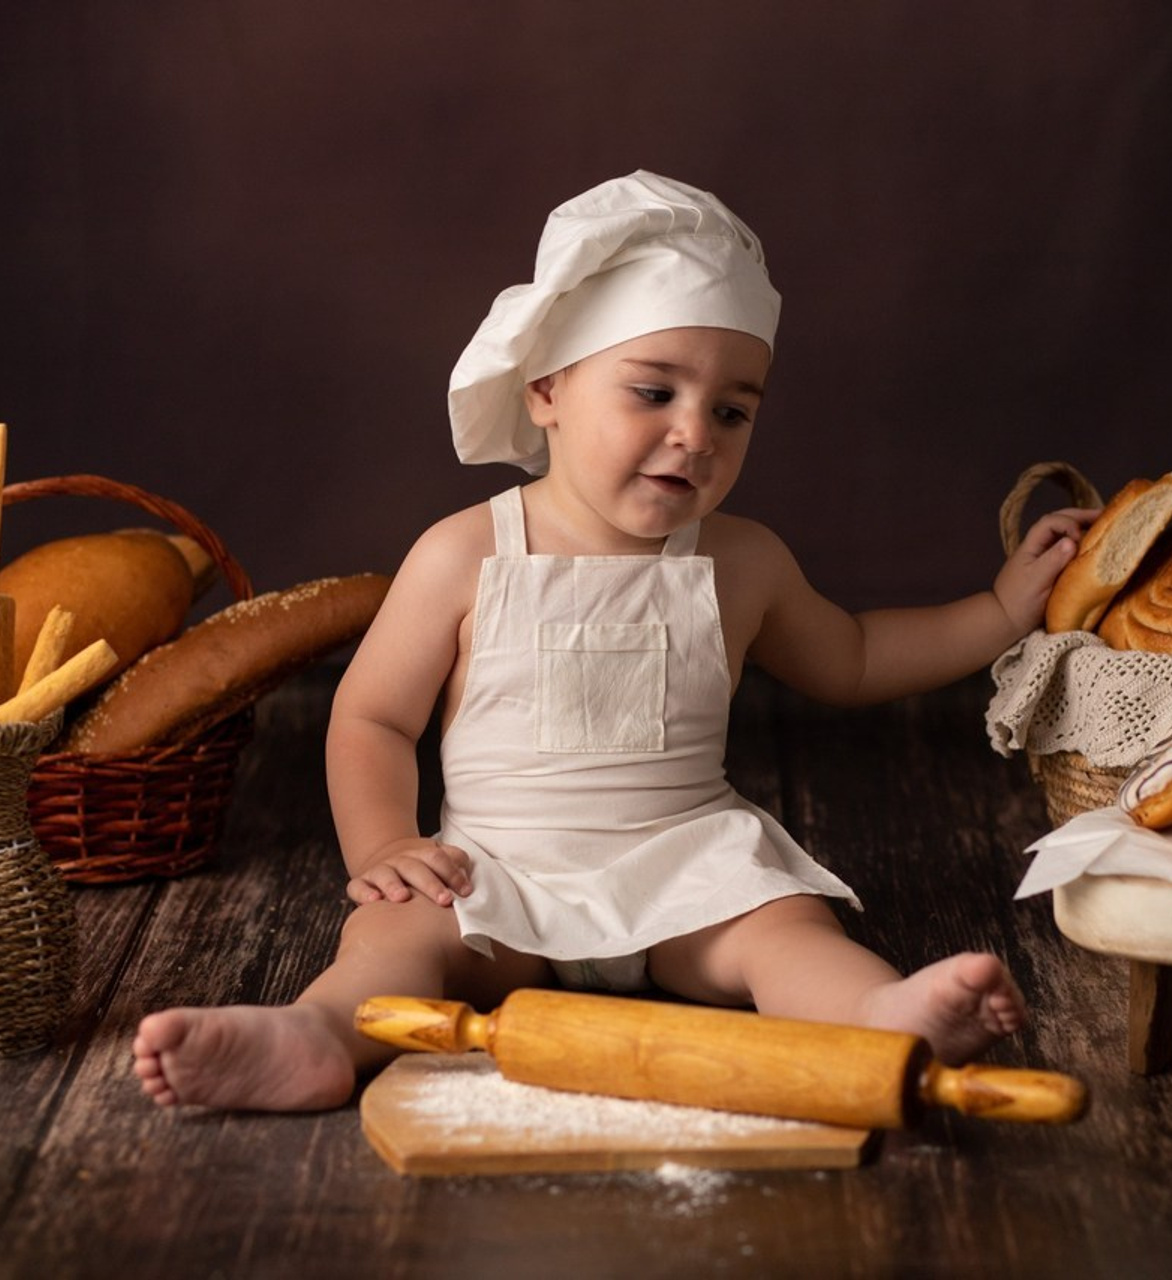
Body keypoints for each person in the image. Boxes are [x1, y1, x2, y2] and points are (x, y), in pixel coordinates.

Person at [133, 171, 1093, 1111]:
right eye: (652, 392)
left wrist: (1003, 610)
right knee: (392, 942)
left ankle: (880, 1016)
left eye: (731, 410)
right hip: (498, 872)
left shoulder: (743, 559)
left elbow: (855, 658)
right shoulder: (465, 552)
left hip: (684, 866)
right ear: (547, 389)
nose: (695, 433)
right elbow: (374, 716)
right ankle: (314, 1036)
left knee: (783, 929)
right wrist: (386, 841)